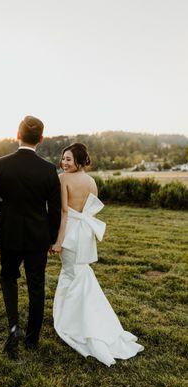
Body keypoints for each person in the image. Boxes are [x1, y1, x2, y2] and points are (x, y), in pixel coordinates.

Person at [52, 143, 144, 366]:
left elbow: (65, 212)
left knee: (71, 275)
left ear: (79, 162)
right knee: (79, 275)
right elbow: (89, 210)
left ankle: (75, 324)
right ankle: (86, 319)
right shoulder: (92, 182)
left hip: (71, 233)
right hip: (85, 234)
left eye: (68, 160)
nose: (64, 163)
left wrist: (58, 241)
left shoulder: (63, 179)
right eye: (63, 158)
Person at [0, 116, 61, 359]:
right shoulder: (49, 169)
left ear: (17, 136)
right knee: (36, 286)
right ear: (41, 139)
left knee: (8, 277)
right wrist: (51, 237)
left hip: (9, 234)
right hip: (38, 237)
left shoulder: (1, 164)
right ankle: (32, 339)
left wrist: (7, 211)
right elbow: (55, 210)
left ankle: (14, 326)